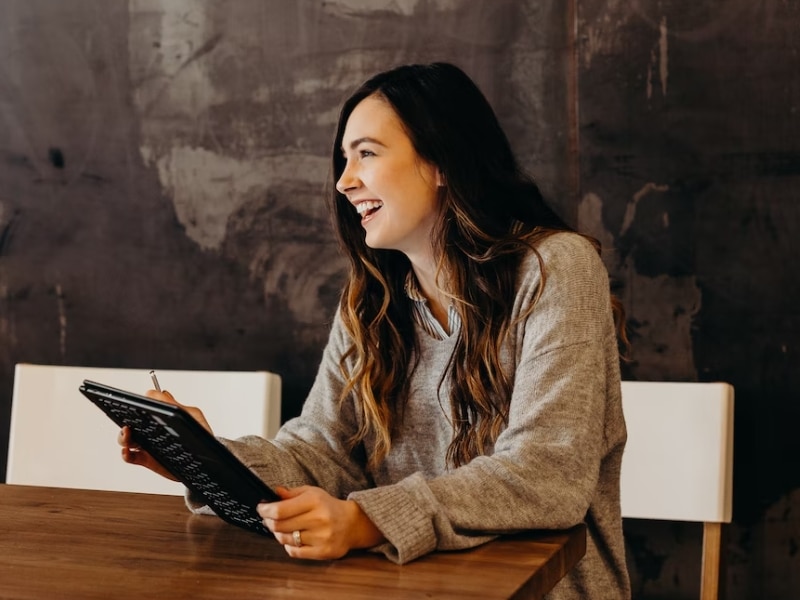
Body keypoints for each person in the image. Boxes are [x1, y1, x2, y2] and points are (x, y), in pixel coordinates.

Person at [119, 62, 631, 599]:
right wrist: (206, 461)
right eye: (344, 160)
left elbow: (546, 475)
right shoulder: (372, 301)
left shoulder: (556, 269)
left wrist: (365, 522)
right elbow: (322, 453)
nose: (344, 182)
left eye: (366, 153)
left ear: (441, 162)